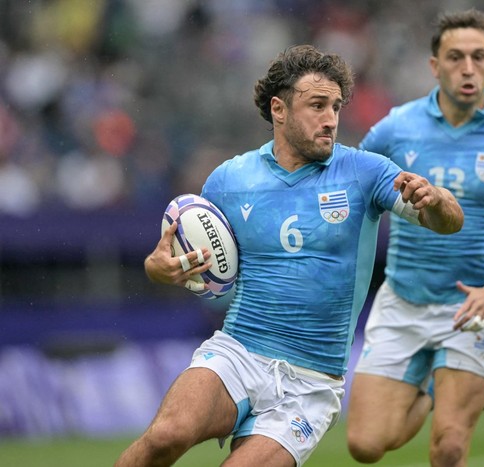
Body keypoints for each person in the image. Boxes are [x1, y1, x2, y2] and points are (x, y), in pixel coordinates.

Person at [114, 44, 463, 467]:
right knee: (166, 436)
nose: (331, 118)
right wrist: (158, 268)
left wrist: (437, 199)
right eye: (317, 105)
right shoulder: (229, 179)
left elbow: (449, 222)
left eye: (336, 106)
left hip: (311, 383)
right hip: (239, 351)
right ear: (279, 109)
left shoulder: (366, 171)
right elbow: (181, 264)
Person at [346, 9, 484, 466]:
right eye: (456, 57)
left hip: (472, 306)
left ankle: (453, 375)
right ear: (434, 66)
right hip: (402, 301)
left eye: (478, 57)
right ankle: (429, 383)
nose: (468, 68)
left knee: (449, 449)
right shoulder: (394, 128)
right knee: (364, 445)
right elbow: (348, 189)